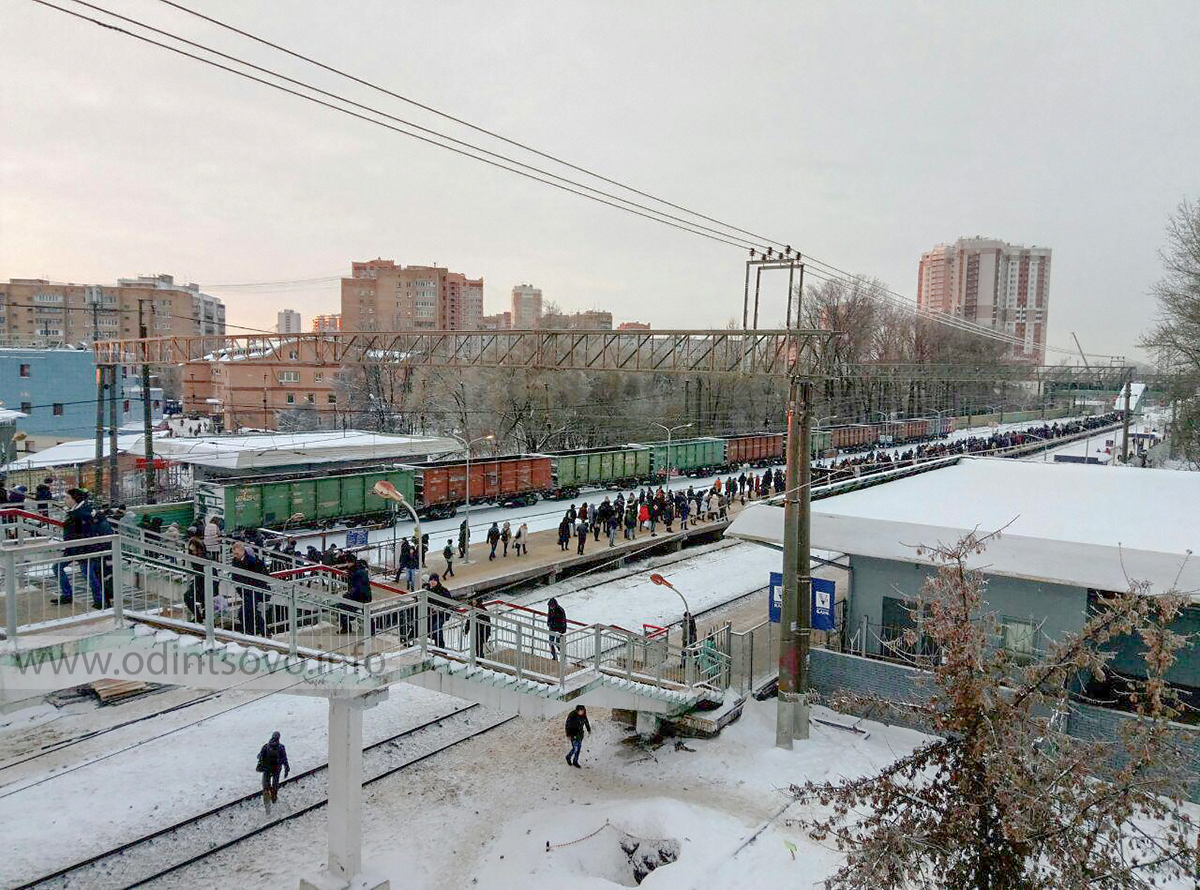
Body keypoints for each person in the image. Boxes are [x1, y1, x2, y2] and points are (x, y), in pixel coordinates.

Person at [52, 488, 103, 607]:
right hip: (73, 548)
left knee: (89, 576)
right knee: (57, 567)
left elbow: (84, 532)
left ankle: (99, 601)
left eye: (67, 498)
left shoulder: (82, 514)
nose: (65, 500)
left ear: (75, 500)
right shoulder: (76, 511)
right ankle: (67, 595)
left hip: (84, 549)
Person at [231, 541, 269, 636]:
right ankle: (262, 632)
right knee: (251, 612)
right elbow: (235, 576)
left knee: (244, 612)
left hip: (255, 591)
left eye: (237, 553)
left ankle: (250, 632)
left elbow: (262, 576)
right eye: (234, 553)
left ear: (243, 551)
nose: (235, 555)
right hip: (246, 591)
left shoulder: (253, 561)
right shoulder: (235, 561)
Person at [257, 731, 290, 814]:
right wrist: (287, 768)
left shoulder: (266, 746)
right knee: (275, 786)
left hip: (267, 770)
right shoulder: (281, 747)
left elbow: (259, 756)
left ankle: (267, 807)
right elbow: (284, 759)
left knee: (265, 788)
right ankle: (274, 799)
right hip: (276, 770)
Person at [343, 557, 372, 634]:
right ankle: (371, 630)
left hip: (359, 596)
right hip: (365, 596)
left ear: (352, 562)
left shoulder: (357, 572)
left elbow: (358, 587)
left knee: (343, 609)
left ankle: (346, 627)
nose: (347, 564)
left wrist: (349, 594)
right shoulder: (359, 570)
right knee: (367, 613)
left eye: (348, 562)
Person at [423, 573, 450, 648]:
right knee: (429, 630)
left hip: (440, 614)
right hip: (428, 614)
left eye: (435, 580)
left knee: (436, 630)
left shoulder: (443, 591)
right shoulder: (426, 590)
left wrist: (443, 612)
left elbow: (448, 603)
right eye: (431, 580)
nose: (432, 582)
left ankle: (440, 648)